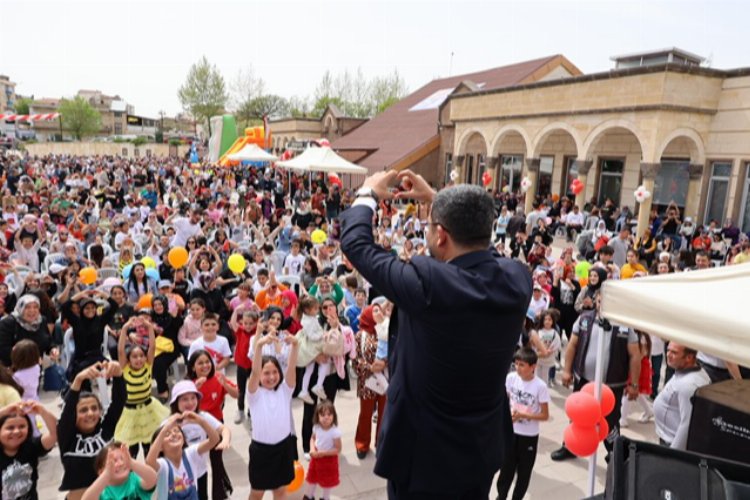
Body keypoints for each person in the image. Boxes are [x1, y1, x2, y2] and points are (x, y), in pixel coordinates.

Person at [340, 170, 532, 498]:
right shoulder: (517, 280)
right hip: (480, 449)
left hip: (422, 458)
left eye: (431, 227)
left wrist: (367, 194)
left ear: (440, 235)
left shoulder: (428, 284)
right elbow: (483, 250)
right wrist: (439, 203)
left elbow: (357, 245)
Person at [552, 295, 641, 461]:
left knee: (611, 421)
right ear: (596, 301)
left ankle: (616, 456)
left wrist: (634, 384)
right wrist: (566, 371)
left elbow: (635, 355)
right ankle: (570, 446)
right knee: (578, 415)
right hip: (584, 381)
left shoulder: (625, 325)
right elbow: (572, 345)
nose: (604, 304)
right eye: (601, 300)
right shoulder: (585, 319)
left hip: (612, 385)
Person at [57, 361, 126, 500]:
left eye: (94, 408)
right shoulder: (67, 436)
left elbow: (119, 401)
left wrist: (118, 375)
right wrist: (78, 381)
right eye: (83, 410)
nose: (90, 413)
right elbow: (68, 411)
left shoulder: (106, 429)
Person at [246, 330, 300, 499]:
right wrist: (260, 345)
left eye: (275, 372)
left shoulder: (285, 390)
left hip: (283, 448)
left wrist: (295, 345)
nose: (271, 377)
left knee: (280, 490)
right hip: (261, 451)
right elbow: (254, 373)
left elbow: (291, 367)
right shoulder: (254, 394)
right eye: (266, 373)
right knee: (257, 493)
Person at [496, 348, 550, 500]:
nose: (518, 368)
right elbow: (504, 400)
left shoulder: (540, 386)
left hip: (529, 436)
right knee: (506, 469)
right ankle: (501, 496)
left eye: (522, 365)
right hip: (510, 432)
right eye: (516, 364)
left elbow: (545, 415)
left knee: (524, 473)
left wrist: (523, 415)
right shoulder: (511, 378)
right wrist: (508, 415)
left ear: (533, 367)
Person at [115, 316, 170, 458]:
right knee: (130, 450)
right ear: (128, 359)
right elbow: (120, 350)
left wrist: (149, 327)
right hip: (130, 412)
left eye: (141, 356)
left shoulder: (148, 366)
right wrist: (125, 328)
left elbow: (152, 346)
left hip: (149, 410)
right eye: (134, 356)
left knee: (151, 447)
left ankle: (152, 476)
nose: (139, 359)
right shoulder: (124, 369)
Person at [146, 412, 220, 500]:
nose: (173, 434)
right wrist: (166, 427)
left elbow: (214, 439)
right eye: (167, 434)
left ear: (184, 439)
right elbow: (149, 461)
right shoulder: (163, 465)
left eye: (176, 431)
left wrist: (201, 421)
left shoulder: (191, 454)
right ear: (160, 447)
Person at [653, 343, 711, 450]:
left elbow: (687, 423)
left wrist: (673, 454)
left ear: (689, 357)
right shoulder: (687, 371)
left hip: (671, 444)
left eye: (674, 352)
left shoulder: (688, 385)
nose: (668, 355)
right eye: (668, 350)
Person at [0, 400, 58, 500]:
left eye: (22, 426)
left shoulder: (31, 446)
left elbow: (55, 434)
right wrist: (3, 412)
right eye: (10, 427)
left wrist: (43, 412)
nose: (16, 431)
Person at [81, 442, 157, 500]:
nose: (120, 463)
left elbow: (152, 479)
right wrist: (106, 474)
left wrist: (132, 463)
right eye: (113, 461)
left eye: (122, 458)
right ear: (101, 472)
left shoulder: (135, 480)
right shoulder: (102, 492)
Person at [303, 401, 342, 500]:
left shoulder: (334, 431)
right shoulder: (316, 427)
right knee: (312, 478)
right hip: (316, 458)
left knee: (327, 483)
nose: (326, 417)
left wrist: (324, 453)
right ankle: (309, 496)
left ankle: (325, 497)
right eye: (322, 414)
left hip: (329, 461)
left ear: (334, 416)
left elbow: (338, 449)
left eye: (329, 414)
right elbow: (313, 438)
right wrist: (312, 449)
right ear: (317, 416)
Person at [295, 296, 330, 404]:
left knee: (309, 369)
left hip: (311, 345)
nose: (317, 310)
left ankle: (304, 390)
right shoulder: (308, 321)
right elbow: (311, 336)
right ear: (307, 310)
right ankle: (318, 385)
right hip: (312, 345)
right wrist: (322, 335)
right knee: (325, 363)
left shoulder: (311, 318)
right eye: (315, 308)